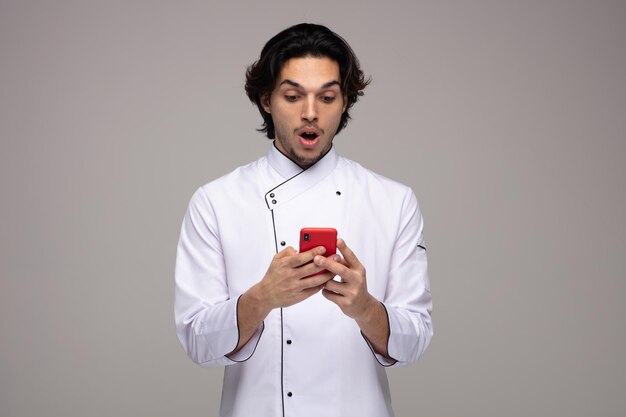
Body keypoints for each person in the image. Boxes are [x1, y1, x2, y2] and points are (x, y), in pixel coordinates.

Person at [175, 23, 433, 417]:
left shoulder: (393, 201)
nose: (310, 113)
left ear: (345, 101)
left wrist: (364, 307)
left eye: (327, 97)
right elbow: (197, 341)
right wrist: (262, 298)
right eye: (293, 96)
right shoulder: (215, 201)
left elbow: (415, 341)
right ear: (266, 99)